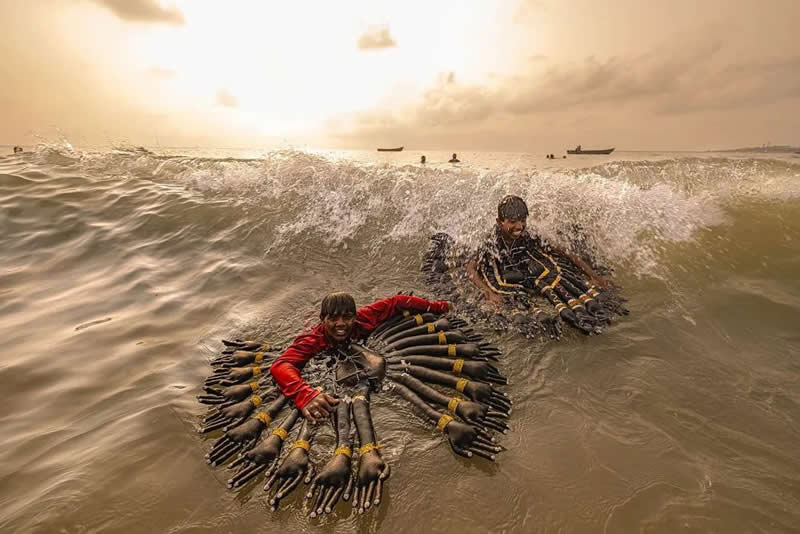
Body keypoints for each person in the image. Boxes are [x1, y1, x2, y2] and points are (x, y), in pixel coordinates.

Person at [270, 292, 449, 422]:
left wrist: (438, 307)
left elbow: (397, 302)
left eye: (347, 317)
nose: (341, 324)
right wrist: (305, 394)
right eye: (333, 319)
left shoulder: (364, 319)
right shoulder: (312, 340)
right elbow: (281, 365)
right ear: (323, 319)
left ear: (355, 316)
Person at [466, 195, 607, 309]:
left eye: (522, 220)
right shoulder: (491, 240)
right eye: (512, 222)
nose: (519, 226)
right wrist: (488, 293)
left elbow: (563, 251)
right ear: (500, 222)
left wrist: (592, 275)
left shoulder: (529, 235)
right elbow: (470, 268)